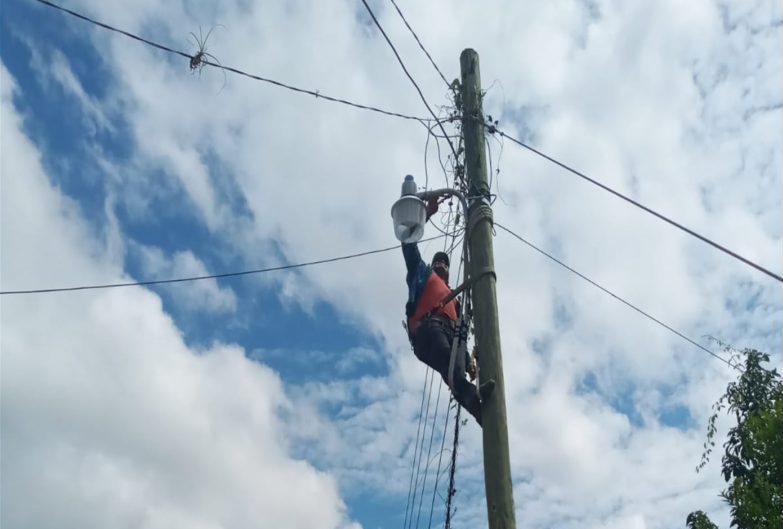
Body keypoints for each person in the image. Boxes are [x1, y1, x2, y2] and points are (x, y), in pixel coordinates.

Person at [402, 205, 482, 426]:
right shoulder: (421, 273)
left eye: (444, 262)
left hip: (453, 334)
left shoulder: (455, 299)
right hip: (429, 328)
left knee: (455, 375)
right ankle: (476, 402)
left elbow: (461, 338)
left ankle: (479, 408)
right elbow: (408, 244)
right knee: (449, 367)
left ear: (448, 268)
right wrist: (426, 213)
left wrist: (468, 363)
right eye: (436, 261)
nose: (439, 264)